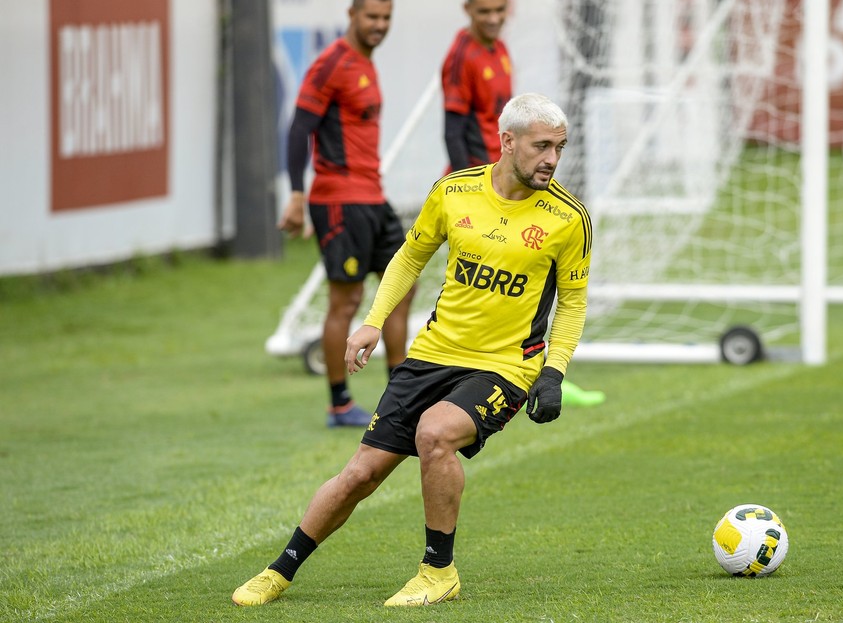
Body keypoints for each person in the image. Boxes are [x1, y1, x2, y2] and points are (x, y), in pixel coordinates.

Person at [232, 93, 592, 607]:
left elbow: (573, 303)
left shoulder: (567, 217)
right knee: (361, 473)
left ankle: (437, 572)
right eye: (541, 146)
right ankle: (279, 570)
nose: (552, 159)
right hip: (433, 353)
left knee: (436, 433)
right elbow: (408, 258)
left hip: (505, 366)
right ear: (507, 141)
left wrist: (552, 373)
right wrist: (372, 323)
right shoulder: (454, 192)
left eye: (559, 147)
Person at [441, 0, 605, 407]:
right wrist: (479, 191)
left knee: (532, 278)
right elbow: (454, 129)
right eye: (484, 12)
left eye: (500, 10)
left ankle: (540, 369)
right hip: (484, 191)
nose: (494, 19)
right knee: (471, 287)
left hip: (510, 188)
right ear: (468, 10)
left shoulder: (500, 51)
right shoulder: (462, 56)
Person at [278, 0, 414, 428]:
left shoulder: (365, 63)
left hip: (373, 197)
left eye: (386, 18)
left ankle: (400, 398)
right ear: (351, 13)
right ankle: (339, 404)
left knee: (402, 287)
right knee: (347, 300)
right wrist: (297, 194)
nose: (379, 25)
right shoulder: (332, 63)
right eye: (371, 16)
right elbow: (300, 129)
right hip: (339, 200)